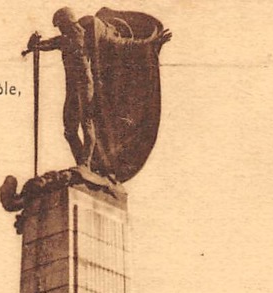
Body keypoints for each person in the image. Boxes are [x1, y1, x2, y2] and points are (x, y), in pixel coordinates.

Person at [26, 9, 171, 178]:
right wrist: (34, 43)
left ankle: (85, 164)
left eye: (62, 26)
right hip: (72, 89)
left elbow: (123, 44)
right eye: (59, 28)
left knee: (86, 122)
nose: (61, 30)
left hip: (86, 86)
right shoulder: (64, 40)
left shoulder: (90, 34)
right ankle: (84, 163)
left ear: (69, 22)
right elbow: (42, 45)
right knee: (69, 129)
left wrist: (149, 43)